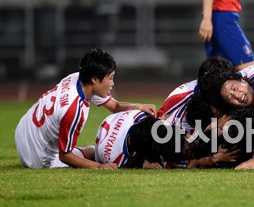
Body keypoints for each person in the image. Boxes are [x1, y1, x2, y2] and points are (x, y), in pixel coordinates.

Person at [14, 48, 156, 169]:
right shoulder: (74, 110)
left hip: (23, 130)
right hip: (35, 157)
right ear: (95, 79)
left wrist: (138, 106)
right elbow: (65, 156)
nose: (112, 83)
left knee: (94, 151)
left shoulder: (78, 78)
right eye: (110, 78)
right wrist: (99, 167)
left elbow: (115, 106)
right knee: (101, 156)